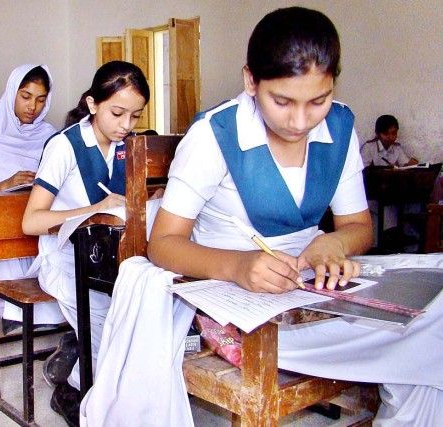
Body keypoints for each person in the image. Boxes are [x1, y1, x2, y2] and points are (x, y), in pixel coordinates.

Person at [81, 7, 443, 427]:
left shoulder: (339, 128)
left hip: (312, 288)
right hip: (238, 304)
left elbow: (359, 226)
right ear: (251, 80)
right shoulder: (216, 135)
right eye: (283, 101)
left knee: (430, 313)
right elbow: (162, 244)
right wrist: (238, 266)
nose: (300, 121)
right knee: (426, 338)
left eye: (319, 101)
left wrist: (334, 243)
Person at [22, 60, 150, 426]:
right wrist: (95, 208)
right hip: (65, 259)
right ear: (93, 104)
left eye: (136, 116)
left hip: (112, 261)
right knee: (112, 331)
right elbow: (31, 221)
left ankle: (76, 355)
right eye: (117, 113)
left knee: (145, 319)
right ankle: (72, 387)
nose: (126, 125)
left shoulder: (130, 146)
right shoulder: (64, 147)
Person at [0, 64, 65, 333]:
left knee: (59, 245)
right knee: (7, 238)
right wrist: (3, 186)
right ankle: (12, 312)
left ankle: (50, 313)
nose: (33, 107)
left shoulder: (49, 136)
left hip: (39, 221)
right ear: (11, 95)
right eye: (26, 97)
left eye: (41, 100)